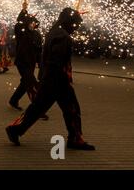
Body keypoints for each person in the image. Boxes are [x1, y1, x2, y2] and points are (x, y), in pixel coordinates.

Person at [6, 8, 95, 150]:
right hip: (57, 80)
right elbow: (56, 61)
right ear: (69, 21)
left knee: (37, 108)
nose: (77, 27)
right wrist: (61, 79)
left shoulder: (55, 31)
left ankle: (15, 129)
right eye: (76, 24)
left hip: (50, 78)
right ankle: (75, 139)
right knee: (72, 109)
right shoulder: (63, 36)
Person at [8, 4, 43, 111]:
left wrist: (40, 63)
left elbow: (39, 50)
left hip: (31, 63)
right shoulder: (21, 32)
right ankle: (37, 109)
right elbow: (19, 23)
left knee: (25, 83)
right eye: (30, 23)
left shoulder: (37, 35)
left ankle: (13, 100)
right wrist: (23, 10)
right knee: (32, 84)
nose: (32, 25)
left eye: (34, 23)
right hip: (22, 62)